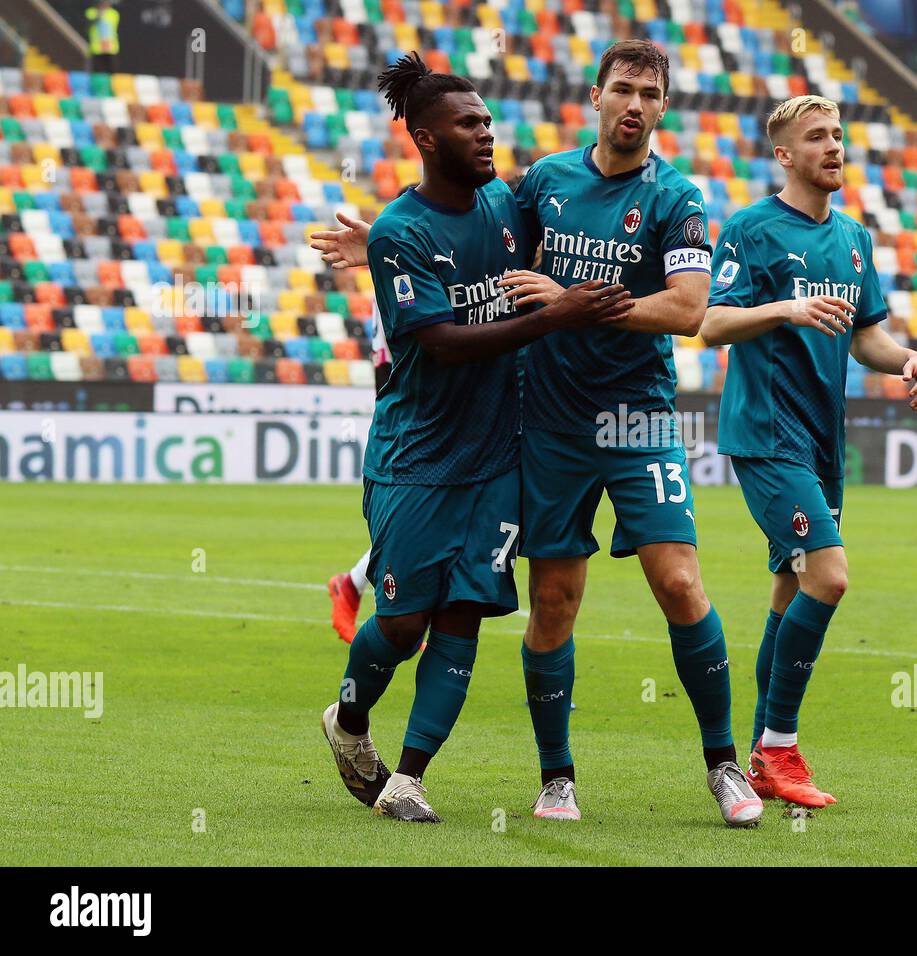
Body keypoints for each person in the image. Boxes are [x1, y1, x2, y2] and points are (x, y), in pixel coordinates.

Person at [310, 41, 762, 828]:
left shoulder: (676, 198)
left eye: (649, 94)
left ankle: (725, 764)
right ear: (595, 96)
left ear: (663, 107)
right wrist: (377, 243)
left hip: (636, 417)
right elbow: (454, 204)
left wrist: (571, 299)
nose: (634, 104)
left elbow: (690, 310)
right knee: (550, 600)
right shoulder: (544, 183)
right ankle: (557, 777)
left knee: (680, 583)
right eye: (622, 88)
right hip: (546, 422)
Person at [319, 53, 631, 823]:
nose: (487, 133)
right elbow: (442, 343)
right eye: (469, 123)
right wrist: (554, 316)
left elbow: (570, 224)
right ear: (426, 138)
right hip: (418, 455)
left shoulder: (506, 203)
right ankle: (349, 722)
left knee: (462, 617)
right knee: (399, 622)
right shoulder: (402, 229)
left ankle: (411, 778)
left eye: (489, 120)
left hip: (499, 453)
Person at [701, 95, 917, 807]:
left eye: (838, 135)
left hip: (821, 439)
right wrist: (784, 308)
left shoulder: (855, 238)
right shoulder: (750, 228)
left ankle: (761, 756)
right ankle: (779, 746)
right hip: (767, 436)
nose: (834, 147)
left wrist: (907, 359)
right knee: (828, 578)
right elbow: (711, 324)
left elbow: (865, 335)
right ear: (784, 155)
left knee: (790, 587)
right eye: (817, 137)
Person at [326, 304, 390, 645]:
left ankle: (351, 584)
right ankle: (401, 621)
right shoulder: (399, 264)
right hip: (409, 410)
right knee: (411, 517)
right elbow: (386, 358)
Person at [86, 1, 120, 75]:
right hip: (97, 48)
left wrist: (103, 14)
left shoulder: (114, 13)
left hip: (110, 48)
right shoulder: (91, 12)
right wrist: (99, 15)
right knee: (97, 72)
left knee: (112, 72)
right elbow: (89, 24)